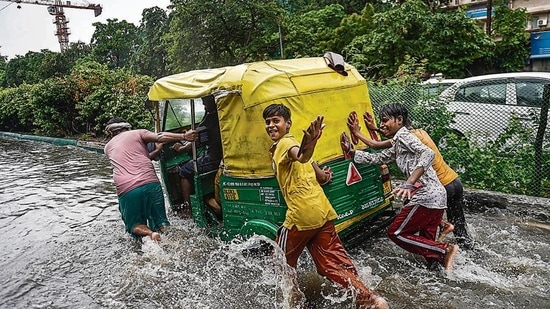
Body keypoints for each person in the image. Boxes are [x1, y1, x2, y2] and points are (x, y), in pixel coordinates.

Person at [262, 104, 388, 309]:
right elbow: (313, 167)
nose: (270, 125)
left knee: (279, 260)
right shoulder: (291, 142)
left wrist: (310, 142)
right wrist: (324, 175)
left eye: (276, 121)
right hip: (322, 211)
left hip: (301, 215)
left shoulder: (284, 145)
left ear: (288, 124)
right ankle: (371, 299)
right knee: (331, 264)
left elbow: (302, 155)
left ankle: (294, 303)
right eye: (268, 122)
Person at [342, 103, 459, 271]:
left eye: (384, 120)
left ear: (399, 120)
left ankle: (446, 249)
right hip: (437, 196)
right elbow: (379, 158)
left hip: (426, 195)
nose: (381, 125)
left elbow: (428, 153)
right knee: (429, 252)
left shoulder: (405, 136)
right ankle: (443, 273)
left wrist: (409, 183)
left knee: (396, 233)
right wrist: (353, 153)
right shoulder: (398, 142)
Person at [104, 117, 198, 242]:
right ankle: (170, 240)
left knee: (134, 225)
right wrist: (184, 136)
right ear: (127, 127)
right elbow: (159, 137)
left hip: (127, 190)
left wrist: (157, 151)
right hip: (151, 183)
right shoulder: (138, 133)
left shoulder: (107, 147)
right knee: (162, 222)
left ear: (111, 133)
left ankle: (150, 234)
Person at [171, 95, 223, 218]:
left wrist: (181, 148)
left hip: (213, 159)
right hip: (222, 158)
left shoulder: (211, 118)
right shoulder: (222, 115)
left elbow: (195, 139)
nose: (204, 106)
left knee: (183, 170)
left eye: (205, 103)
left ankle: (187, 208)